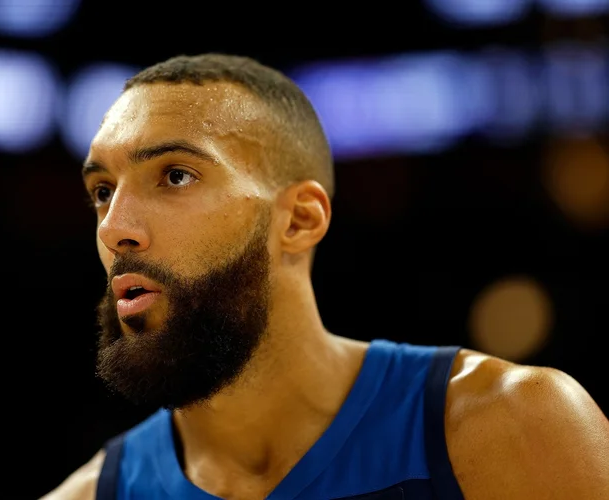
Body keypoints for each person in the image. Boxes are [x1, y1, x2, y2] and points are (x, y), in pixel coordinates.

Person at [41, 53, 609, 500]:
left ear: (299, 219)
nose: (115, 229)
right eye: (102, 191)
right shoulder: (90, 494)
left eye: (176, 175)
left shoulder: (515, 427)